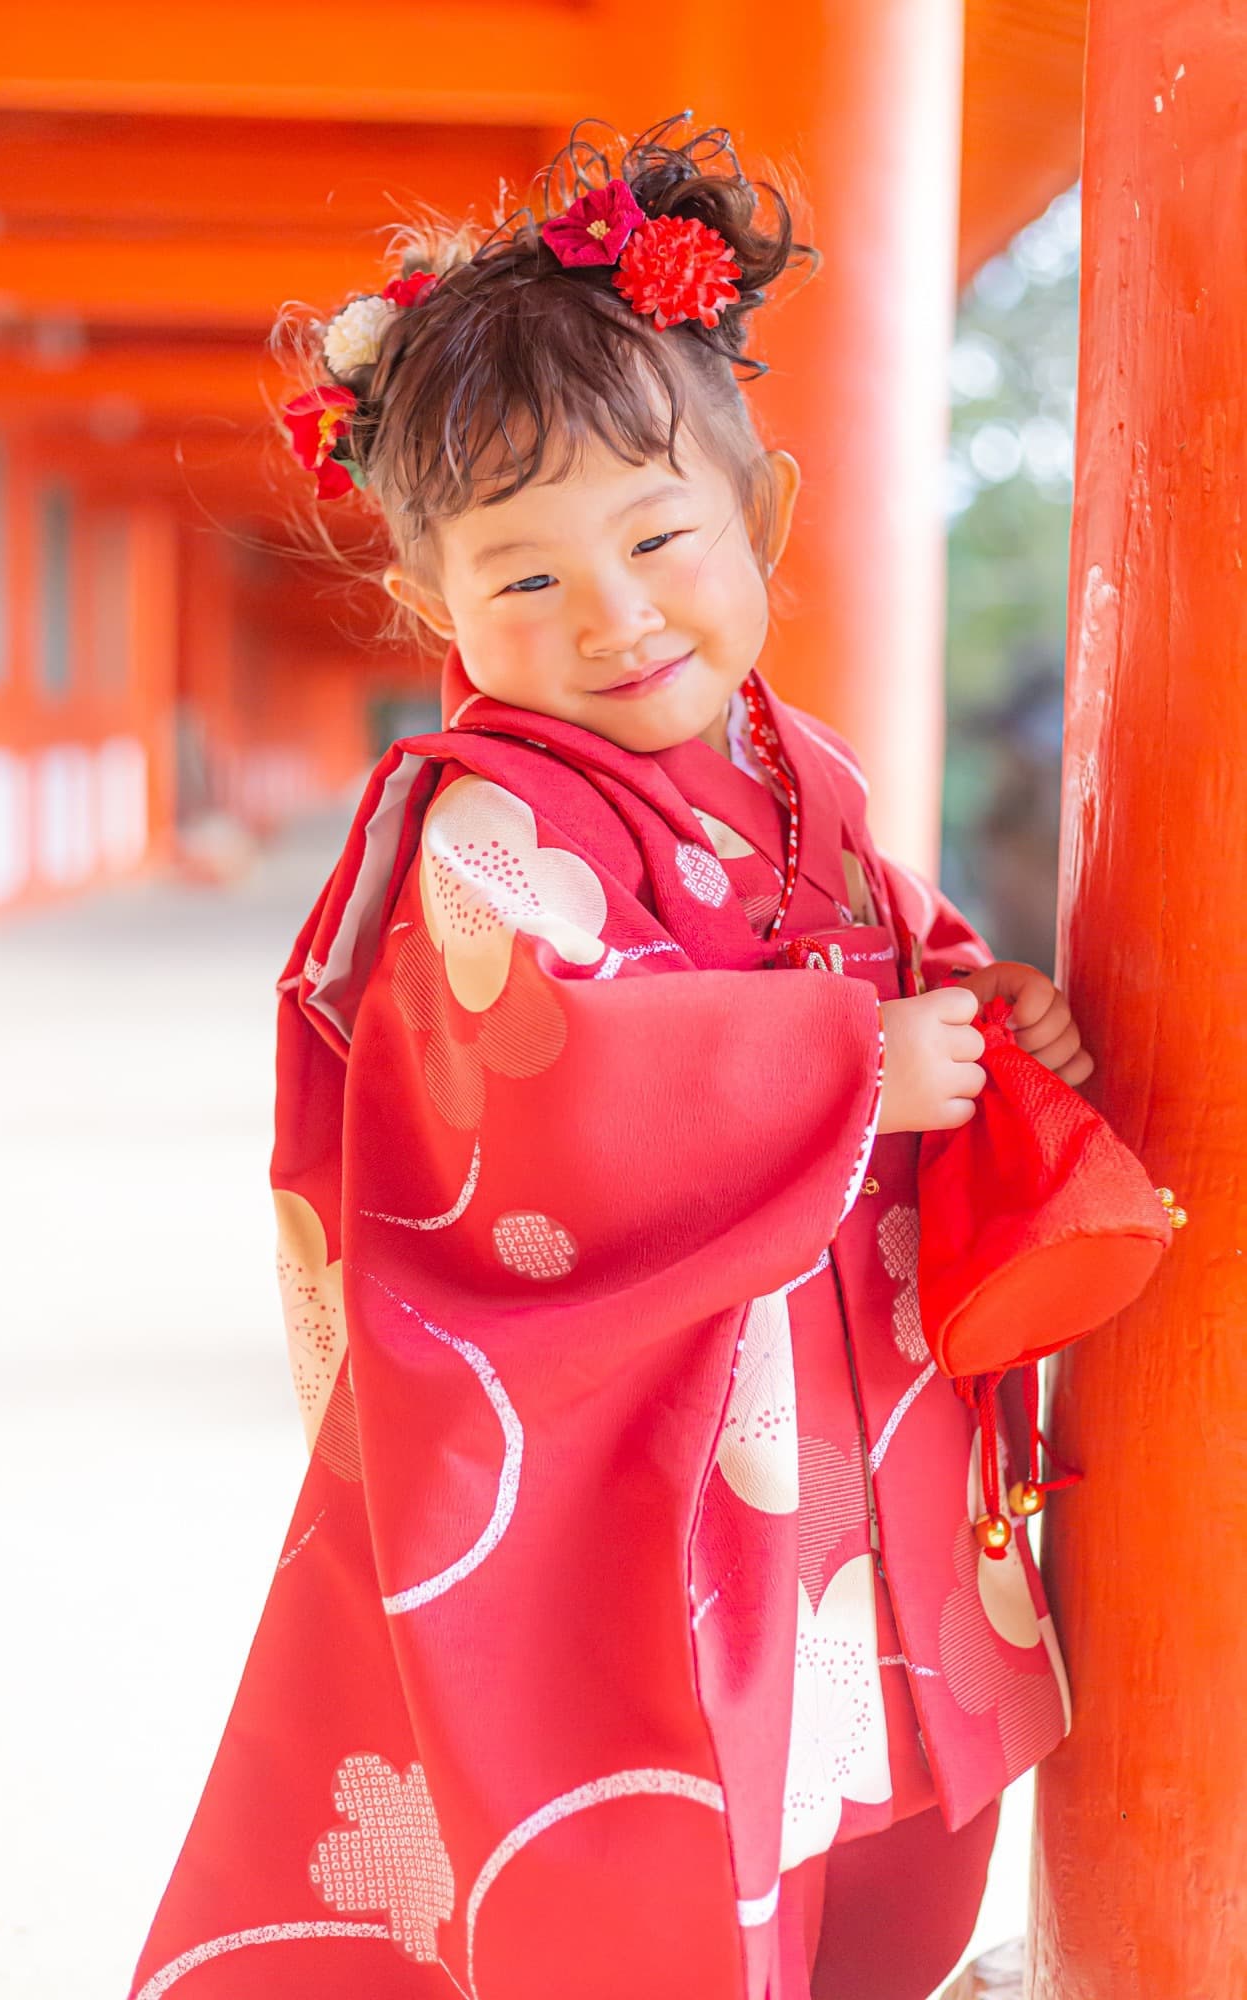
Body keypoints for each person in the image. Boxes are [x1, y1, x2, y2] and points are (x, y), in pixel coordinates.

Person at [127, 114, 1095, 2000]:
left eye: (656, 537)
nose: (613, 615)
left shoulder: (790, 767)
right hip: (665, 1424)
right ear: (437, 613)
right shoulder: (486, 826)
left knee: (863, 1778)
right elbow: (538, 1064)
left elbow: (880, 927)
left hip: (829, 1402)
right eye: (525, 579)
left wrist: (975, 1005)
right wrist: (845, 1065)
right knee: (672, 1804)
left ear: (768, 523)